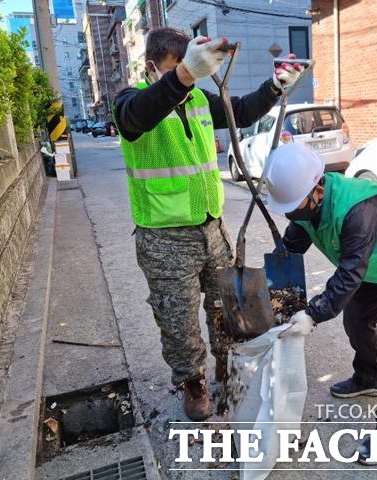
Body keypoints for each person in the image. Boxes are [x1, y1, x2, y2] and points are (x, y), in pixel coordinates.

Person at [112, 27, 302, 421]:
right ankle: (192, 382)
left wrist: (274, 86)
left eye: (193, 67)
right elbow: (136, 118)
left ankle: (224, 366)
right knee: (177, 320)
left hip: (212, 230)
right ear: (153, 65)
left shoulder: (197, 96)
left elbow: (243, 111)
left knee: (224, 307)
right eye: (178, 67)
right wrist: (181, 77)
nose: (189, 75)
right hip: (165, 239)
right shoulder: (130, 102)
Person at [265, 143, 377, 465]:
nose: (292, 212)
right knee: (356, 319)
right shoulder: (305, 207)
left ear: (317, 187)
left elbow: (349, 274)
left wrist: (313, 314)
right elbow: (289, 251)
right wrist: (272, 299)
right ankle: (368, 377)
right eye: (287, 207)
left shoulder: (358, 207)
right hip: (376, 265)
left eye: (295, 205)